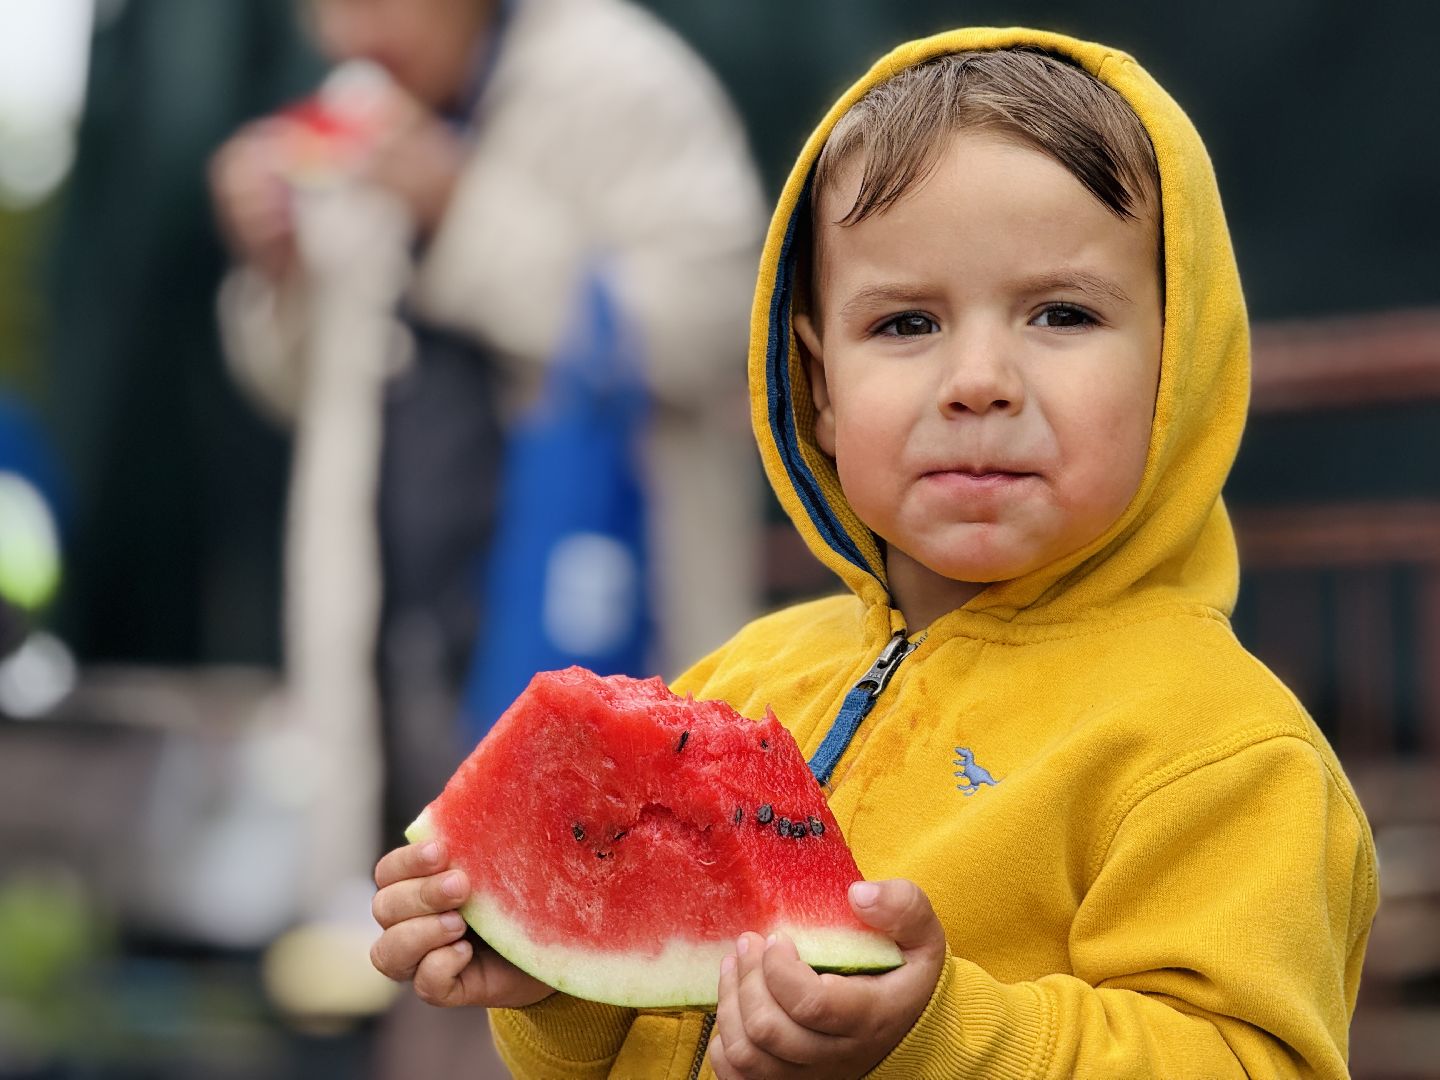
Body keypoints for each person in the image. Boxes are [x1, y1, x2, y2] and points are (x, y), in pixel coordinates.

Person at [368, 26, 1378, 1078]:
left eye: (1062, 313)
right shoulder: (746, 684)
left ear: (1181, 366)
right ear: (818, 389)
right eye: (905, 324)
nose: (977, 378)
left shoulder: (1225, 754)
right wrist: (553, 992)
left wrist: (941, 1037)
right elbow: (656, 1033)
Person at [209, 0, 765, 935]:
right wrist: (276, 271)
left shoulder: (628, 79)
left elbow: (722, 326)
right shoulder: (359, 112)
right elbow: (309, 388)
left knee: (597, 964)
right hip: (402, 662)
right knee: (417, 953)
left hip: (598, 638)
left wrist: (463, 213)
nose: (348, 37)